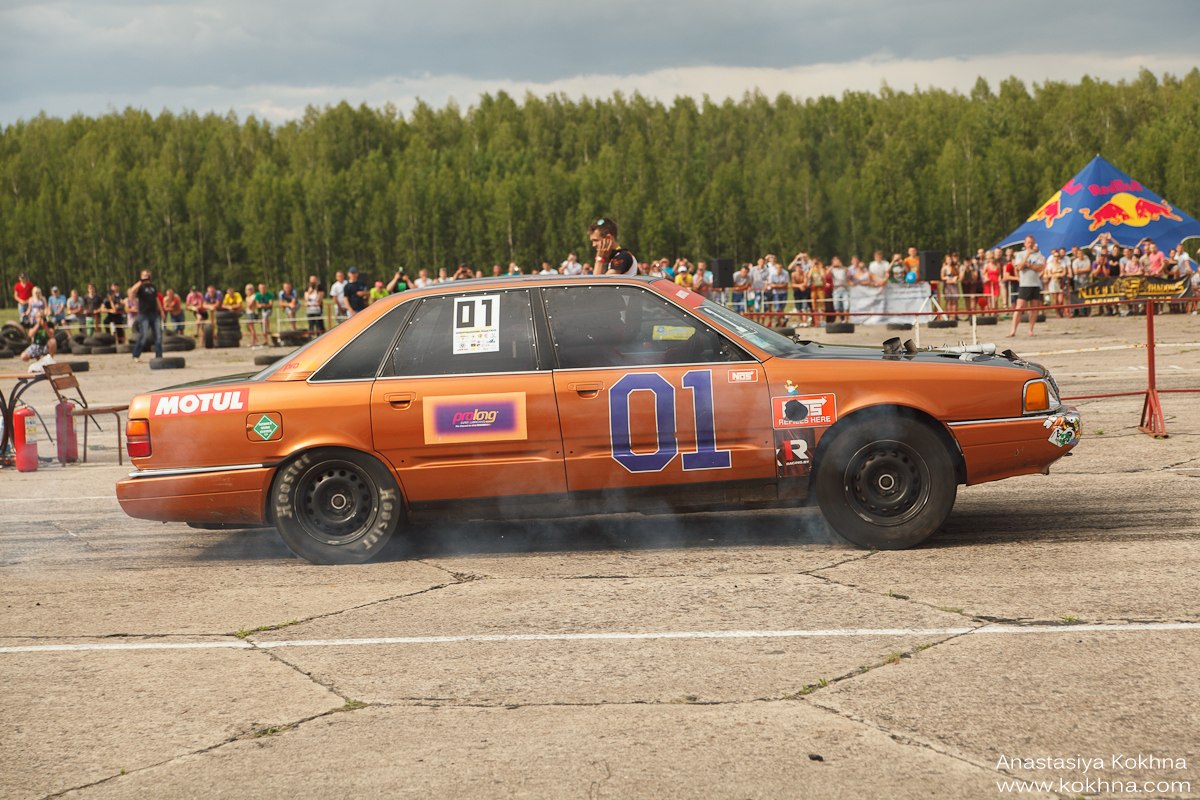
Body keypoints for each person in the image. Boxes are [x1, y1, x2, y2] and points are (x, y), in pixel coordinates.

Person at [1008, 235, 1046, 337]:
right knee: (1019, 307)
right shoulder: (1020, 254)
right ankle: (1013, 330)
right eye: (1028, 242)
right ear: (1025, 243)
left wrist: (1029, 266)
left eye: (1032, 242)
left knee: (1034, 308)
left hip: (1036, 284)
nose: (1030, 244)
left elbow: (1040, 268)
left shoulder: (1038, 254)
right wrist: (1027, 256)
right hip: (1024, 284)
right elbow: (1019, 267)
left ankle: (1030, 330)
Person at [128, 269, 164, 362]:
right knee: (143, 336)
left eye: (148, 275)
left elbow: (156, 299)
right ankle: (136, 355)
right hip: (144, 314)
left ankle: (159, 357)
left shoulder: (153, 287)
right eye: (144, 275)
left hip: (154, 313)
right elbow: (131, 292)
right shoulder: (140, 287)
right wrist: (140, 282)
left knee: (158, 336)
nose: (146, 276)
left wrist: (161, 310)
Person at [829, 256, 850, 324]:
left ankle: (846, 319)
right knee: (836, 304)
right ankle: (838, 319)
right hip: (836, 289)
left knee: (846, 304)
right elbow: (827, 272)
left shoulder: (844, 269)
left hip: (844, 288)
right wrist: (833, 265)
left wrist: (841, 266)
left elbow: (848, 271)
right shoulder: (832, 270)